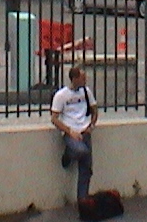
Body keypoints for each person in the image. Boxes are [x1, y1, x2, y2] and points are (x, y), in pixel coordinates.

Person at [50, 65, 98, 201]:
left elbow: (95, 110)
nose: (85, 81)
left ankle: (82, 198)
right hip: (71, 131)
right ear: (74, 79)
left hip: (84, 130)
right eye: (82, 78)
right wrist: (69, 131)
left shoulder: (86, 92)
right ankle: (69, 154)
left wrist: (91, 125)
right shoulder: (61, 95)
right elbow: (54, 118)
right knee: (82, 151)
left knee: (86, 168)